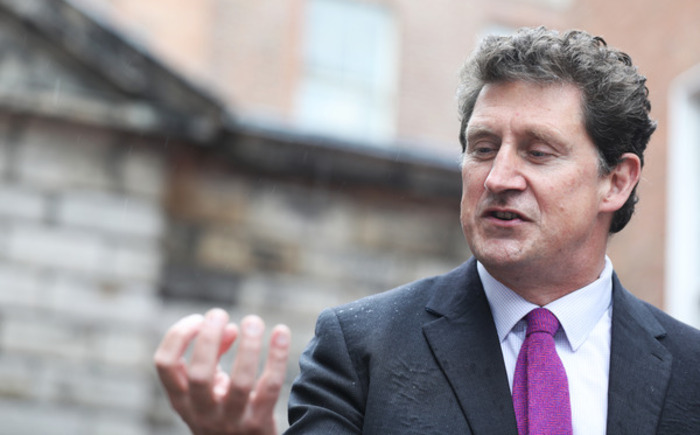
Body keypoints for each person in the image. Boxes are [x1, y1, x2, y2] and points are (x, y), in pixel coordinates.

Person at [154, 27, 700, 434]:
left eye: (538, 153)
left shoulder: (691, 372)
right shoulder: (360, 349)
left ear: (616, 182)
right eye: (482, 149)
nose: (499, 178)